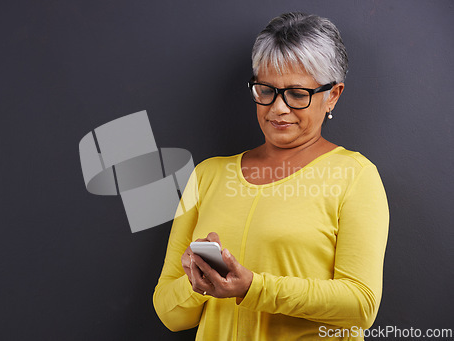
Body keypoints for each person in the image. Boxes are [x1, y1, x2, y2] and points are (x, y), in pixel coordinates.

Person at [153, 12, 389, 341]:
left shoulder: (354, 176)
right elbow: (170, 314)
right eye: (266, 90)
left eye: (296, 94)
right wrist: (202, 282)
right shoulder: (207, 175)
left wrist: (253, 288)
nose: (277, 108)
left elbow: (361, 306)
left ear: (332, 95)